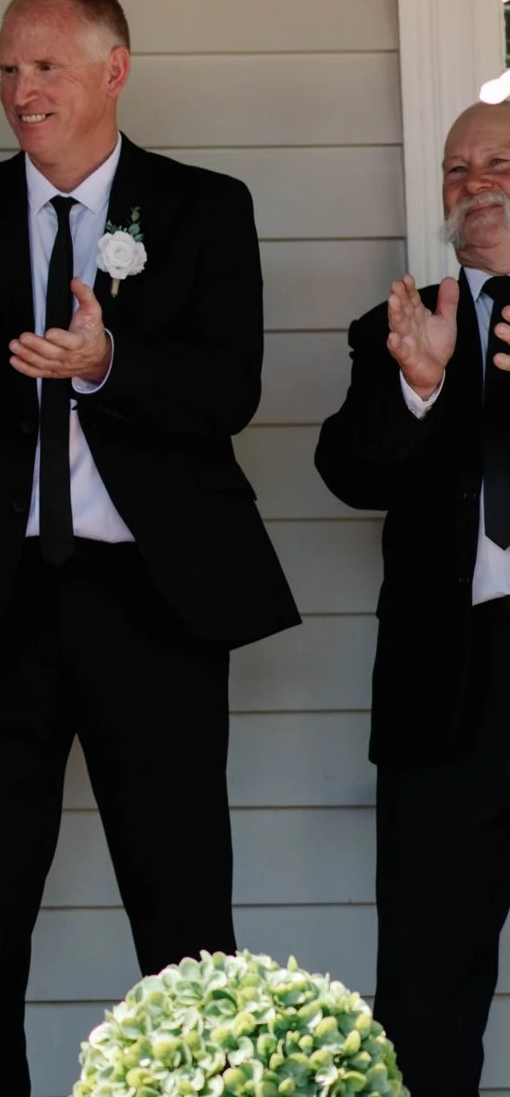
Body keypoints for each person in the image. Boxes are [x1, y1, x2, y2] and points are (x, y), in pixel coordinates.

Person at [0, 0, 299, 1095]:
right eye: (8, 68)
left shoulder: (204, 206)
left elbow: (227, 389)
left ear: (113, 69)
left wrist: (105, 364)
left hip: (153, 604)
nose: (21, 91)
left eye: (47, 67)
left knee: (182, 913)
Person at [316, 100, 510, 1096]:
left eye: (498, 160)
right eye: (455, 166)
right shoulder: (393, 328)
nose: (473, 180)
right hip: (451, 693)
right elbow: (348, 469)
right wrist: (419, 387)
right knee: (428, 993)